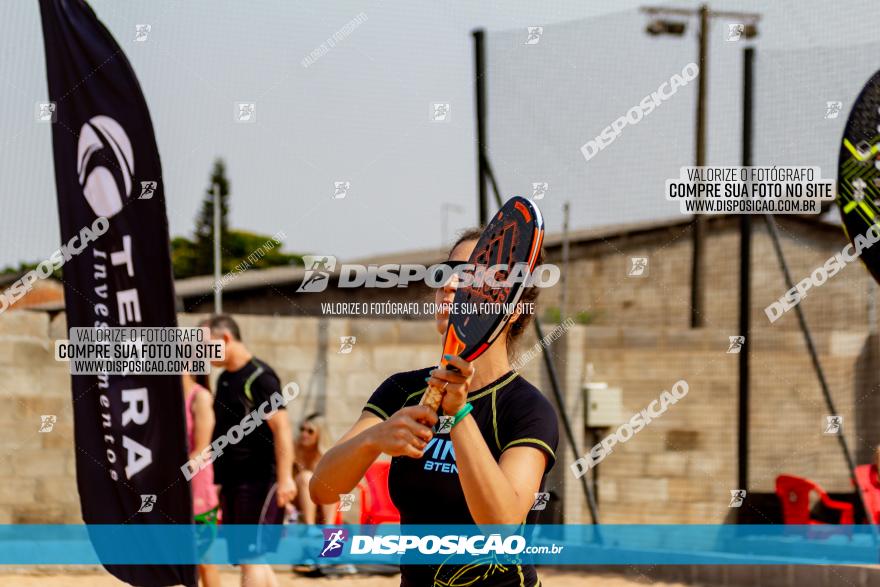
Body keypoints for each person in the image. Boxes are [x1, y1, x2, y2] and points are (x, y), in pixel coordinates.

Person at [310, 228, 560, 586]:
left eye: (474, 275)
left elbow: (503, 525)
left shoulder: (528, 409)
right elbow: (322, 490)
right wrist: (373, 440)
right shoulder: (403, 390)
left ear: (514, 309)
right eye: (447, 271)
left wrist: (459, 415)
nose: (451, 284)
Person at [202, 314, 296, 587]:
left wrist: (285, 478)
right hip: (233, 480)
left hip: (258, 478)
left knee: (250, 554)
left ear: (226, 339)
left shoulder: (260, 377)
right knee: (252, 555)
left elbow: (282, 428)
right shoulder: (224, 380)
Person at [182, 371, 221, 587]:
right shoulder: (167, 400)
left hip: (197, 488)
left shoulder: (201, 397)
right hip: (175, 489)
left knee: (203, 558)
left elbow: (203, 450)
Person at [293, 413, 338, 524]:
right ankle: (310, 527)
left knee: (331, 481)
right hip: (295, 497)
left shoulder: (326, 455)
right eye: (302, 429)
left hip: (319, 500)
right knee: (306, 477)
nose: (304, 434)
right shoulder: (293, 449)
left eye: (310, 431)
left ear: (320, 435)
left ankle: (329, 526)